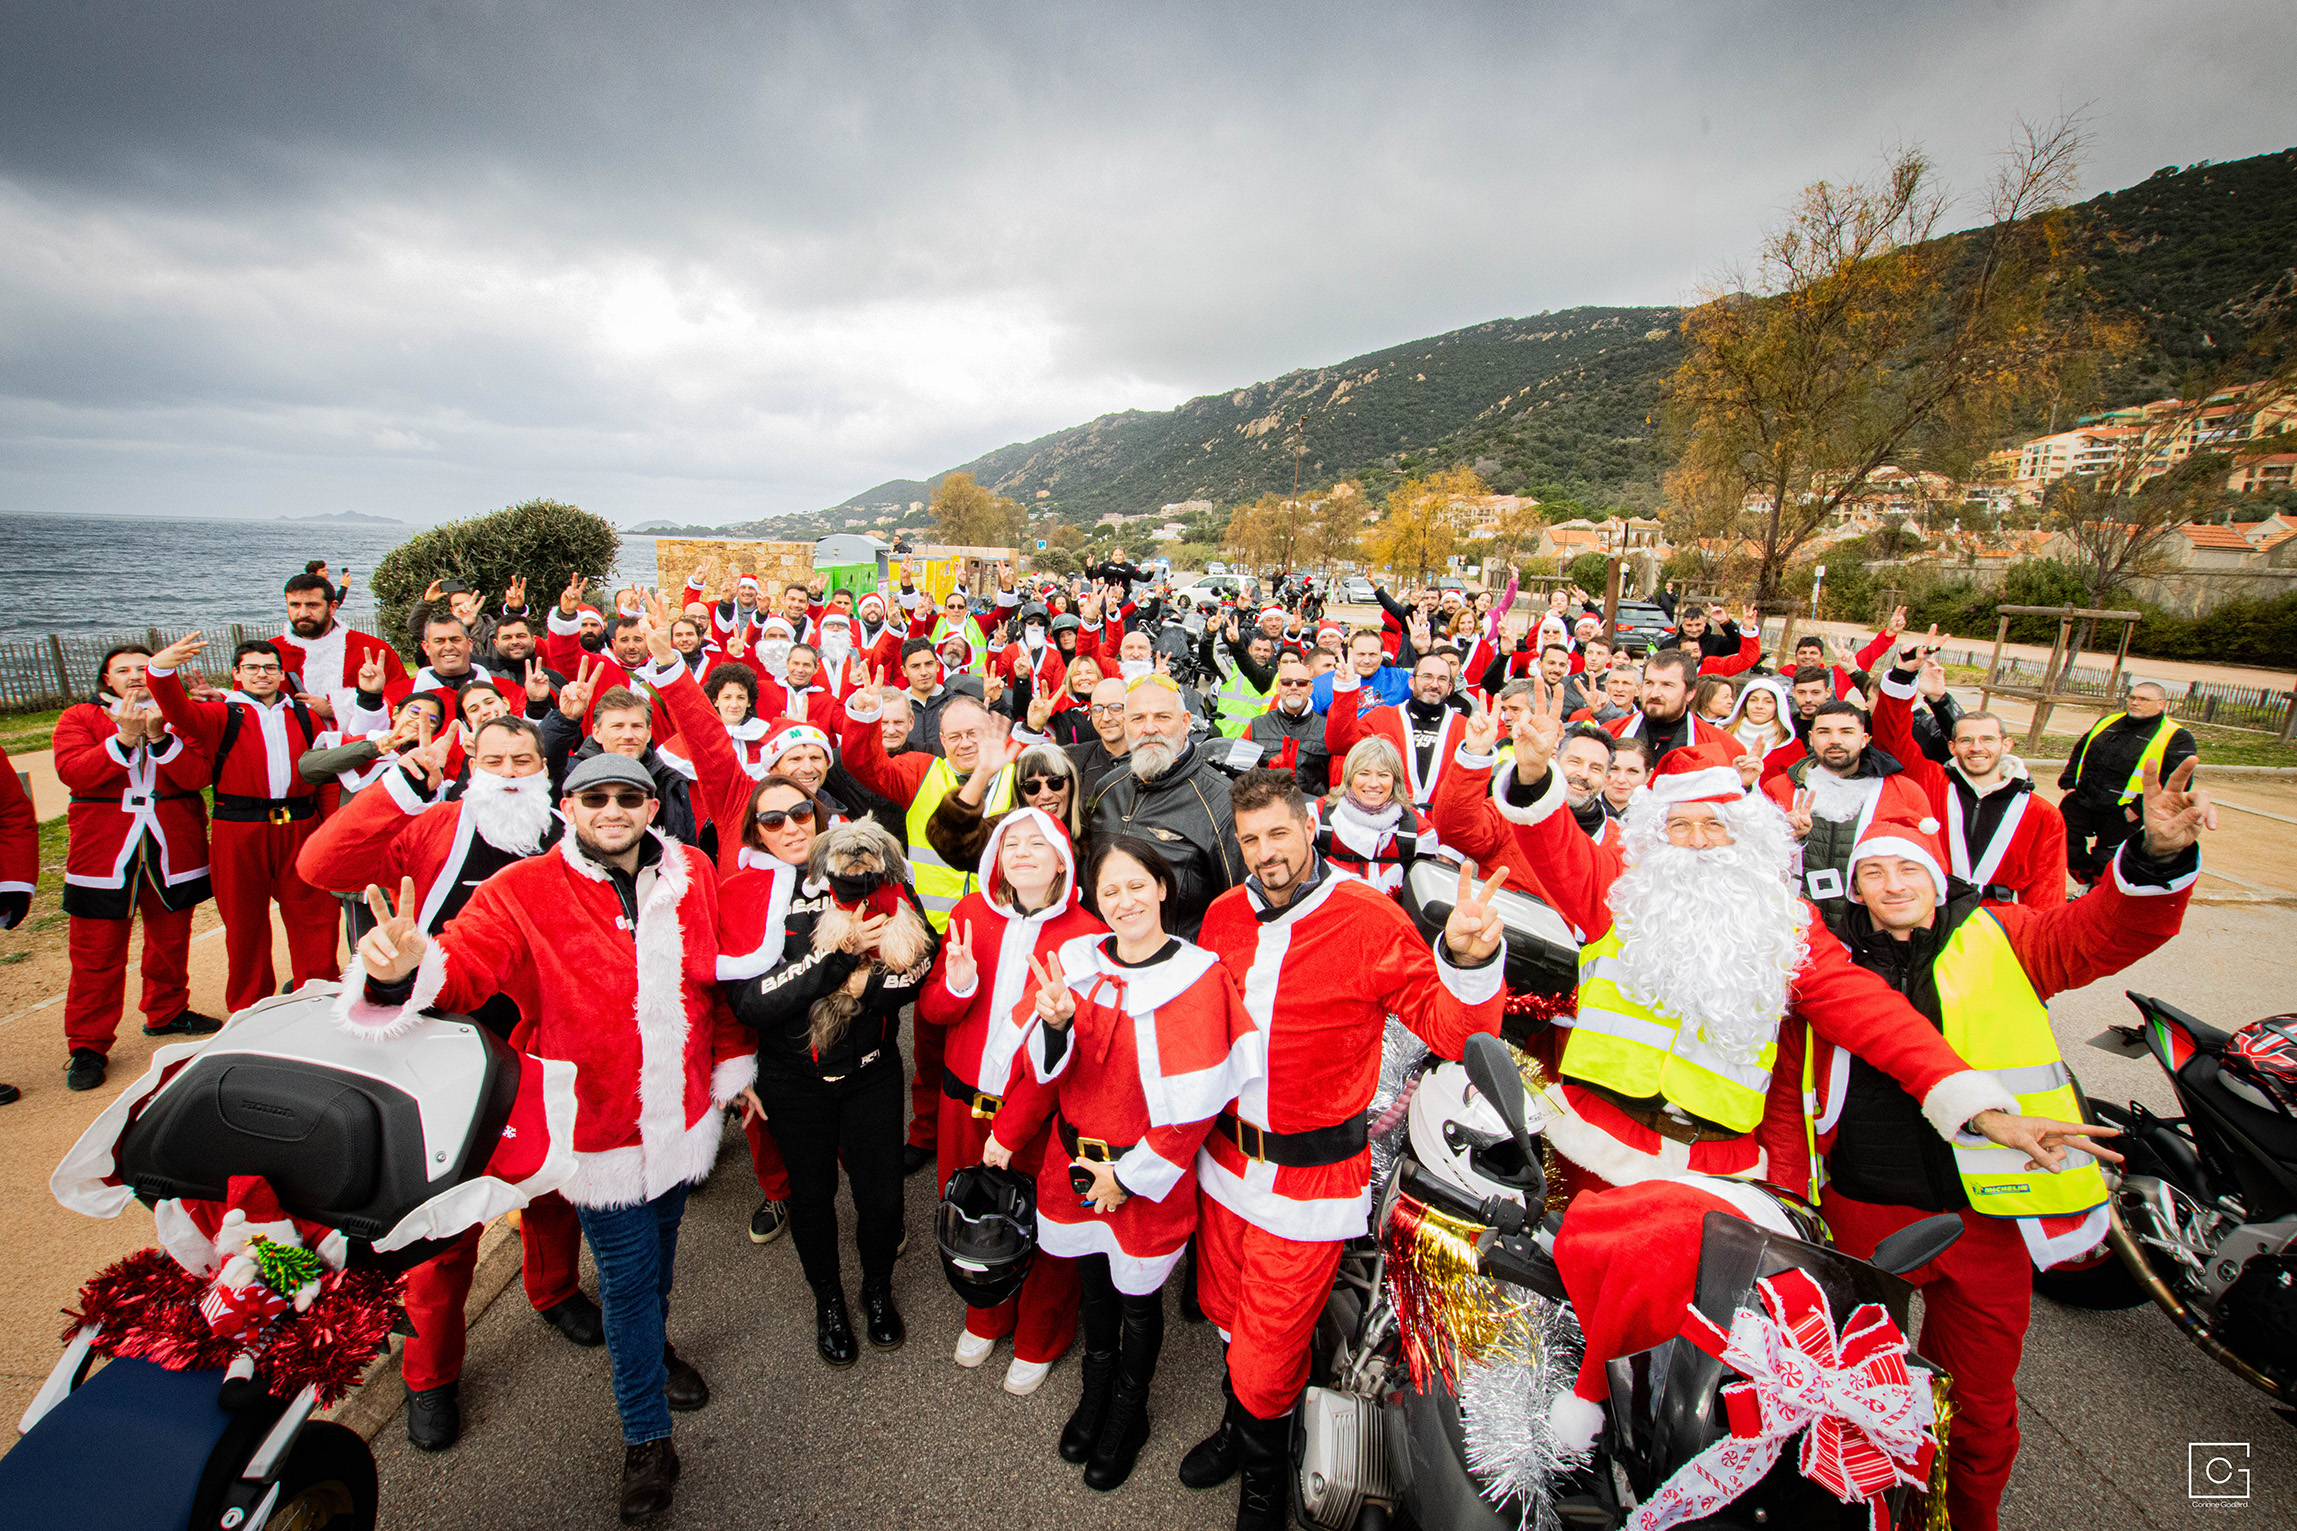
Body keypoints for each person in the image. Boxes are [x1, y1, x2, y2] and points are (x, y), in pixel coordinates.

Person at [1794, 765, 2208, 1530]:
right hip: (1861, 1211)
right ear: (1852, 885)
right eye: (1872, 871)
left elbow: (2102, 932)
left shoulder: (2001, 932)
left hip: (1988, 1216)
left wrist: (2151, 857)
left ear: (1937, 874)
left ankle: (1959, 1519)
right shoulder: (1820, 952)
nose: (1891, 884)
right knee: (1849, 1394)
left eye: (1907, 868)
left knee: (1978, 1406)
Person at [344, 751, 752, 1520]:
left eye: (627, 796)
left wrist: (732, 1071)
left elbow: (714, 981)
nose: (611, 809)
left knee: (659, 1264)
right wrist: (404, 971)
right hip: (596, 1135)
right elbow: (463, 970)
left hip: (685, 1118)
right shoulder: (521, 890)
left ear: (649, 806)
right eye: (593, 796)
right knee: (629, 1285)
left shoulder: (691, 870)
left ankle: (655, 1346)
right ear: (566, 806)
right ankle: (647, 1438)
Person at [1182, 769, 1508, 1529]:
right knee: (1229, 1315)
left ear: (1309, 825)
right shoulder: (1226, 914)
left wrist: (1464, 959)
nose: (1266, 851)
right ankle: (1241, 1431)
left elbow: (1450, 1031)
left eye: (1278, 833)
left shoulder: (1366, 915)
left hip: (1310, 1177)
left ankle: (1264, 1489)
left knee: (1268, 1348)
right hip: (1225, 1163)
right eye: (1251, 837)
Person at [296, 715, 580, 1451]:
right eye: (496, 758)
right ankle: (429, 1373)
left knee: (551, 1185)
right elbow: (320, 867)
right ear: (472, 766)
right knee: (442, 1221)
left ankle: (554, 1291)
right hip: (436, 1045)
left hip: (535, 1039)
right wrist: (402, 786)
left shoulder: (565, 828)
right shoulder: (437, 823)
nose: (513, 770)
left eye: (525, 757)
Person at [986, 835, 1260, 1492]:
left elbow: (1198, 1102)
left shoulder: (1196, 975)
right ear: (1094, 898)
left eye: (1137, 884)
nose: (1124, 900)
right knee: (1096, 1291)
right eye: (1110, 889)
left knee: (1138, 1301)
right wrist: (1054, 1025)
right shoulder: (1072, 963)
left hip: (1143, 1175)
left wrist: (1127, 1176)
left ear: (1162, 888)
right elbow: (1044, 1070)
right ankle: (1095, 1392)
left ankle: (1128, 1413)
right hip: (1074, 1163)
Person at [725, 816, 938, 1370]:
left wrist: (866, 987)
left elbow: (921, 963)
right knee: (811, 1200)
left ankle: (876, 1290)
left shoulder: (888, 887)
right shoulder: (750, 896)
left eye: (800, 814)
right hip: (794, 1080)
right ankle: (830, 1304)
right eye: (773, 819)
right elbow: (751, 1003)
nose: (789, 826)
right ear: (756, 831)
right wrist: (839, 963)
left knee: (883, 1198)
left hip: (871, 1071)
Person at [918, 808, 1099, 1396]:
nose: (1021, 853)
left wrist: (1015, 1127)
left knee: (1045, 1225)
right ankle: (985, 1315)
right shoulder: (970, 915)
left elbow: (1067, 1052)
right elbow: (935, 1013)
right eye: (1011, 843)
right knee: (971, 1212)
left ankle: (1040, 1335)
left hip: (1037, 1116)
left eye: (1037, 844)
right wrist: (960, 980)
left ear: (1062, 860)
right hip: (960, 1103)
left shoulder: (1088, 935)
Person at [145, 632, 340, 1015]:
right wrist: (160, 669)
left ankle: (318, 999)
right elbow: (175, 709)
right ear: (237, 673)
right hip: (239, 830)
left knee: (315, 919)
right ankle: (249, 1009)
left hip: (300, 824)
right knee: (244, 926)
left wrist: (332, 830)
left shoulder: (305, 717)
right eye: (252, 668)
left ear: (282, 674)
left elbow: (326, 776)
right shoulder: (221, 714)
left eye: (270, 667)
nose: (262, 674)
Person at [54, 645, 217, 1092]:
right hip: (104, 849)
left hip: (171, 845)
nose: (134, 676)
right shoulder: (80, 718)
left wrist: (161, 738)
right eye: (122, 670)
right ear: (107, 679)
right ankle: (87, 1044)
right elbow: (75, 773)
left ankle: (166, 1012)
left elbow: (197, 774)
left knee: (170, 940)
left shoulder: (182, 716)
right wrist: (123, 739)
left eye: (143, 668)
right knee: (95, 954)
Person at [1875, 641, 2067, 907]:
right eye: (1966, 740)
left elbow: (2048, 889)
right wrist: (1903, 675)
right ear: (1952, 747)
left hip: (2001, 923)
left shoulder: (2042, 813)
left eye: (1987, 739)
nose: (1977, 748)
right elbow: (1892, 740)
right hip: (1933, 912)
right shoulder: (1931, 781)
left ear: (2006, 745)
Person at [1084, 674, 1242, 939]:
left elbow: (1238, 909)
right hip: (1104, 957)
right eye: (1138, 718)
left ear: (1185, 723)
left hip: (1177, 965)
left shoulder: (1221, 801)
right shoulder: (1107, 788)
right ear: (1126, 725)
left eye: (1162, 717)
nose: (1149, 728)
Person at [1762, 698, 1930, 935]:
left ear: (1864, 740)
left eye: (1846, 732)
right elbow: (1757, 860)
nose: (1835, 740)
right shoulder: (1779, 788)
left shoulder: (1903, 791)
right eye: (1824, 732)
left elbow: (1927, 869)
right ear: (1810, 738)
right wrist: (1787, 837)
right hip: (1794, 921)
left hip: (1872, 927)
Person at [1323, 650, 1471, 862]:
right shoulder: (1382, 717)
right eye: (1427, 676)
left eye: (1442, 679)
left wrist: (1453, 850)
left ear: (1449, 688)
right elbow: (1339, 743)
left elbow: (1468, 795)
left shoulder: (1464, 728)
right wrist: (1346, 691)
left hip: (1440, 841)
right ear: (1411, 682)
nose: (1434, 684)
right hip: (1387, 835)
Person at [2058, 680, 2196, 884]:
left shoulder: (2176, 736)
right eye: (2132, 697)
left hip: (2123, 810)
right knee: (2063, 843)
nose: (2135, 702)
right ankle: (2084, 883)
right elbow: (2080, 751)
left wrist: (2138, 810)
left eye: (2143, 699)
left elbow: (2177, 781)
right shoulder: (2107, 722)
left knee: (2107, 858)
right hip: (2082, 801)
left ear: (2161, 704)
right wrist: (2069, 786)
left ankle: (2096, 894)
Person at [273, 570, 405, 723]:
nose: (302, 613)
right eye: (295, 605)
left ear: (332, 607)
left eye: (312, 605)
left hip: (360, 742)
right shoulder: (270, 652)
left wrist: (337, 709)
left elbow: (401, 704)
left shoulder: (372, 649)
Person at [1316, 736, 1427, 894]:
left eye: (1383, 775)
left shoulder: (1418, 829)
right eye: (1364, 773)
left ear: (1395, 780)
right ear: (1349, 776)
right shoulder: (1318, 817)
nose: (1373, 783)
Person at [1602, 648, 1735, 768]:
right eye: (1649, 683)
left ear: (1690, 693)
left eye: (1667, 685)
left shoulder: (1721, 746)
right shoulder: (1610, 734)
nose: (1654, 693)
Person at [1245, 649, 1330, 792]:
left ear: (1310, 689)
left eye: (1301, 683)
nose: (1294, 687)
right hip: (1266, 806)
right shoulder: (1256, 725)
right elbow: (1239, 775)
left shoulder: (1327, 727)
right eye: (1287, 682)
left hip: (1310, 808)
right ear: (1278, 687)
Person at [1066, 676, 1132, 799]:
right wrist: (1034, 727)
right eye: (1097, 709)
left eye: (1116, 708)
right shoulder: (1076, 758)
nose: (1106, 718)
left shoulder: (1151, 761)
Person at [1602, 734, 1652, 816]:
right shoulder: (1581, 812)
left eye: (1632, 771)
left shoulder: (1658, 818)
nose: (1621, 780)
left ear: (1648, 776)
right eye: (1613, 769)